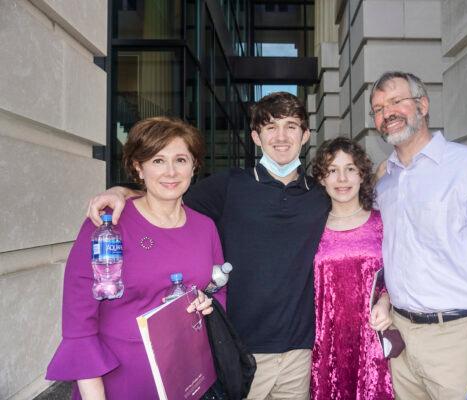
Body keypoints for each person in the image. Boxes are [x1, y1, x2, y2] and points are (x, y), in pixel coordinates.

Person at [85, 92, 330, 399]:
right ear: (256, 136)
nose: (281, 137)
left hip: (298, 350)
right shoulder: (229, 185)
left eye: (291, 126)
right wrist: (120, 192)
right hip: (240, 348)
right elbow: (166, 192)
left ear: (305, 135)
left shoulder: (321, 197)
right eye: (270, 127)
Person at [370, 71, 467, 400]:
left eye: (397, 101)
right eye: (379, 108)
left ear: (423, 105)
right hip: (401, 340)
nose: (387, 113)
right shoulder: (385, 183)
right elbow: (391, 256)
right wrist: (385, 300)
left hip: (459, 342)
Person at [46, 117, 223, 399]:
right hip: (120, 380)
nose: (171, 171)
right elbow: (79, 324)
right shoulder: (109, 224)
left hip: (187, 377)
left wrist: (207, 302)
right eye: (157, 160)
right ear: (139, 168)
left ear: (194, 166)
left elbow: (217, 289)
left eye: (180, 159)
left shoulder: (205, 227)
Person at [309, 137, 394, 400]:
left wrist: (386, 301)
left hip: (373, 340)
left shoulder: (383, 222)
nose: (342, 178)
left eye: (350, 169)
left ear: (361, 175)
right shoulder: (311, 226)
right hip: (325, 344)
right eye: (333, 170)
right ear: (322, 179)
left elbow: (397, 274)